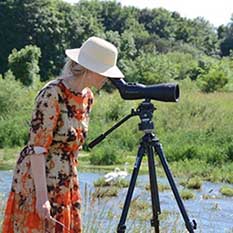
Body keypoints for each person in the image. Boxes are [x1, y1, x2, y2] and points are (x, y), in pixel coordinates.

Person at [2, 36, 124, 233]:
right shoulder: (52, 94)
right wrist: (42, 198)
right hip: (38, 180)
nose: (107, 78)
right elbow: (37, 148)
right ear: (90, 69)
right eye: (105, 72)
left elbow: (73, 147)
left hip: (66, 181)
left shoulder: (87, 97)